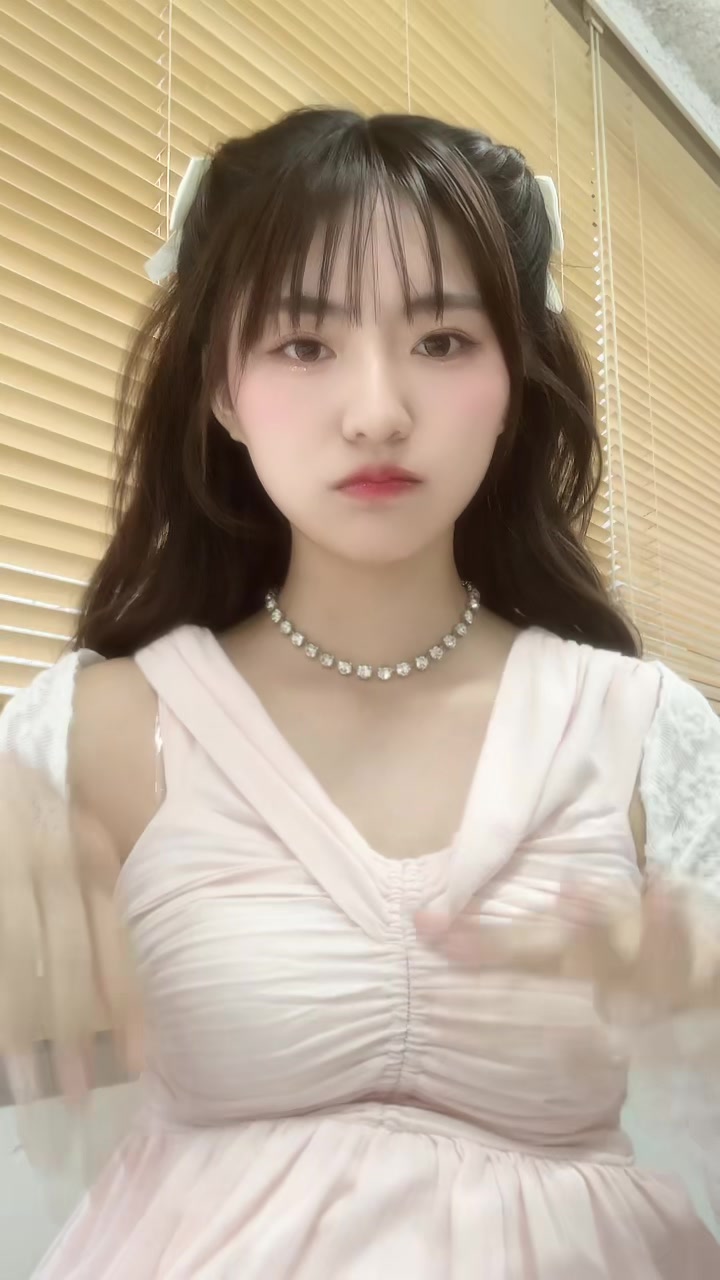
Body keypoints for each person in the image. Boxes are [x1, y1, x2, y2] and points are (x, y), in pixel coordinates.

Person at [1, 106, 719, 1278]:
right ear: (222, 388)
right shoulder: (94, 732)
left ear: (514, 380)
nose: (378, 408)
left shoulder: (646, 731)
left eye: (442, 339)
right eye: (303, 343)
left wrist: (702, 1009)